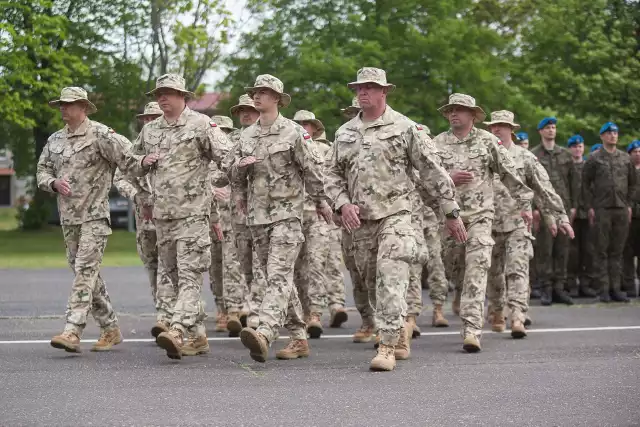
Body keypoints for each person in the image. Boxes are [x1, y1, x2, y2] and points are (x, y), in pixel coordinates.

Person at [326, 68, 466, 371]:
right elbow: (332, 175)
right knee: (371, 281)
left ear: (384, 92)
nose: (362, 93)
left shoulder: (405, 128)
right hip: (360, 222)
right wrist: (342, 204)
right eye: (359, 88)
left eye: (370, 88)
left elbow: (432, 172)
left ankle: (387, 346)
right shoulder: (345, 132)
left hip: (397, 215)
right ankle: (398, 330)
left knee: (391, 277)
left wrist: (451, 213)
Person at [37, 87, 153, 353]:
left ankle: (72, 330)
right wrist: (53, 183)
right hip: (69, 219)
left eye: (69, 104)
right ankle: (110, 327)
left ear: (84, 107)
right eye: (61, 105)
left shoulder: (101, 135)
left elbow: (131, 160)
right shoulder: (55, 140)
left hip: (95, 217)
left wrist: (147, 164)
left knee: (85, 271)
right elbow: (42, 171)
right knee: (85, 273)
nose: (63, 109)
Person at [131, 74, 232, 359]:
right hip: (163, 218)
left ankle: (176, 329)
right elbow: (128, 162)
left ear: (182, 96)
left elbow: (228, 157)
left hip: (193, 216)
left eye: (168, 93)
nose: (162, 98)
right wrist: (142, 161)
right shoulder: (150, 131)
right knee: (175, 278)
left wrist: (216, 186)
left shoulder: (201, 125)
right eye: (159, 93)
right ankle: (198, 336)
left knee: (189, 277)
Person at [232, 74, 331, 362]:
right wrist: (239, 168)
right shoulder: (246, 136)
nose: (257, 96)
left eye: (263, 92)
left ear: (277, 98)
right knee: (279, 279)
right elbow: (231, 175)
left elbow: (312, 170)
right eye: (255, 92)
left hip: (287, 216)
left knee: (277, 276)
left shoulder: (293, 132)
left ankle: (265, 331)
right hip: (257, 218)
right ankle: (299, 337)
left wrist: (322, 201)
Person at [433, 95, 533, 352]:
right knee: (456, 272)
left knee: (477, 271)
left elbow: (510, 174)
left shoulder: (488, 142)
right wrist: (448, 177)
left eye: (461, 110)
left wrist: (524, 205)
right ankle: (463, 307)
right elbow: (424, 179)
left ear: (473, 116)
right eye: (451, 110)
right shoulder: (436, 144)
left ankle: (472, 330)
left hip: (480, 218)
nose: (455, 114)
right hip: (450, 219)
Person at [484, 110, 572, 338]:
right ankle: (496, 310)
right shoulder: (483, 155)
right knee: (493, 275)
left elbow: (544, 189)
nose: (496, 129)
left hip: (518, 224)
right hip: (488, 225)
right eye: (493, 126)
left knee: (518, 270)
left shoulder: (525, 157)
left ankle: (518, 316)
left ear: (511, 129)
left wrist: (559, 216)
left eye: (501, 126)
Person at [293, 110, 348, 338]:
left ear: (315, 128)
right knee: (299, 269)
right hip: (294, 215)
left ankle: (316, 313)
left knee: (317, 262)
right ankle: (305, 311)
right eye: (299, 124)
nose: (303, 127)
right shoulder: (288, 147)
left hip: (319, 214)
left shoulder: (326, 149)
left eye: (307, 124)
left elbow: (336, 179)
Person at [113, 102, 163, 328]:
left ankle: (182, 317)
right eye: (146, 118)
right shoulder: (134, 150)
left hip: (171, 217)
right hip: (145, 221)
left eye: (154, 118)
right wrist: (137, 196)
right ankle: (163, 314)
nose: (149, 122)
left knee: (176, 267)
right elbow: (119, 178)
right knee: (152, 267)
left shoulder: (175, 145)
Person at [583, 122, 636, 303]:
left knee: (618, 250)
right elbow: (585, 184)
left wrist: (628, 203)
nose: (613, 135)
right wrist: (591, 205)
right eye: (609, 133)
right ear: (602, 136)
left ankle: (616, 288)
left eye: (615, 132)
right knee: (601, 250)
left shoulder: (625, 158)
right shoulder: (594, 158)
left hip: (621, 208)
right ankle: (603, 289)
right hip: (602, 208)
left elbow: (633, 183)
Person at [207, 115, 248, 337]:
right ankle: (221, 308)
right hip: (209, 219)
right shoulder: (203, 159)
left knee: (232, 264)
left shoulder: (231, 157)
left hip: (231, 219)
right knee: (215, 268)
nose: (219, 134)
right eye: (217, 130)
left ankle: (234, 309)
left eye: (224, 130)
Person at [530, 117, 577, 306]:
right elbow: (529, 183)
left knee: (562, 250)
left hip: (563, 209)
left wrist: (573, 207)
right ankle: (546, 289)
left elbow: (574, 183)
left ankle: (559, 288)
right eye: (547, 128)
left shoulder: (565, 155)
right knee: (545, 250)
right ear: (540, 131)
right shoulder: (533, 155)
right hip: (543, 209)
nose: (551, 130)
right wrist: (534, 208)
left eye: (553, 127)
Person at [227, 95, 261, 329]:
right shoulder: (230, 140)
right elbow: (219, 172)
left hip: (267, 212)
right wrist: (236, 167)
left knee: (264, 264)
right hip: (239, 213)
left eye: (250, 109)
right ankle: (251, 302)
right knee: (245, 264)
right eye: (242, 110)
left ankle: (257, 312)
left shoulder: (272, 134)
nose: (246, 114)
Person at [566, 135, 597, 297]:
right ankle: (571, 284)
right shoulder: (566, 166)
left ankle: (586, 283)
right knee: (572, 252)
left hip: (588, 213)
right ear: (570, 148)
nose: (577, 149)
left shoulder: (589, 166)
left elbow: (594, 189)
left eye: (580, 146)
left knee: (588, 251)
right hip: (572, 214)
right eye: (574, 146)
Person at [622, 139, 640, 298]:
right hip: (628, 217)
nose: (638, 154)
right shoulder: (625, 170)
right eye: (635, 152)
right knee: (627, 252)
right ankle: (629, 286)